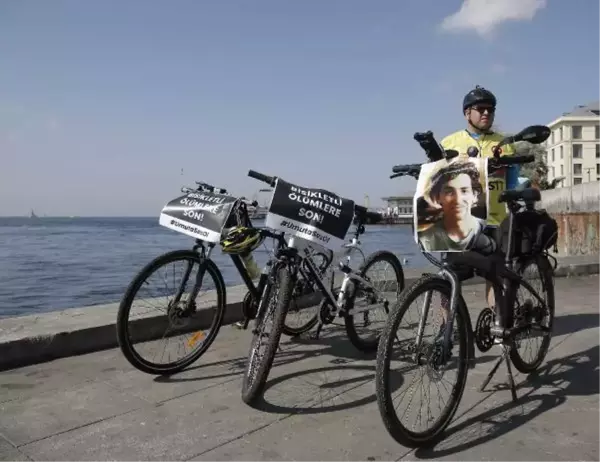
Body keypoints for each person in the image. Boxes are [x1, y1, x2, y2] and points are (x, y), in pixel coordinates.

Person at [433, 85, 518, 357]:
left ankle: (498, 324)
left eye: (490, 109)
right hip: (460, 220)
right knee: (447, 275)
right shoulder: (449, 142)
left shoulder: (504, 144)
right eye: (480, 109)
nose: (486, 113)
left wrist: (520, 193)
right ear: (467, 113)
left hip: (495, 219)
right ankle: (447, 326)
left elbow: (514, 179)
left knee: (494, 276)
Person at [418, 160, 486, 252]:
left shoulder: (487, 229)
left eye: (464, 191)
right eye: (449, 192)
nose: (457, 200)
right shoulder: (426, 239)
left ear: (475, 195)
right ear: (438, 197)